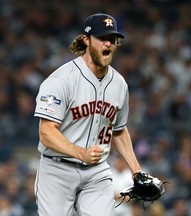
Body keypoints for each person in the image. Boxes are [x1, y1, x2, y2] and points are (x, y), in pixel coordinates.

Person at [34, 13, 143, 216]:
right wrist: (80, 152)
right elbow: (46, 132)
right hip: (57, 170)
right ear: (86, 40)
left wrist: (136, 171)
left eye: (113, 39)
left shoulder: (119, 84)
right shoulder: (61, 80)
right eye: (102, 38)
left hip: (97, 172)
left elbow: (118, 131)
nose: (108, 43)